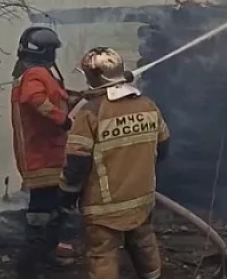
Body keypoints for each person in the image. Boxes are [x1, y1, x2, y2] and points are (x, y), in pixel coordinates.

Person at [59, 47, 170, 279]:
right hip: (141, 199)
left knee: (103, 255)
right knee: (145, 244)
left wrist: (67, 196)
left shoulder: (90, 114)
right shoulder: (148, 105)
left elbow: (77, 164)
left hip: (103, 206)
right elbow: (163, 147)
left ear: (93, 76)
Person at [10, 26, 81, 278]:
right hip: (40, 159)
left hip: (49, 157)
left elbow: (51, 100)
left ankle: (46, 255)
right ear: (48, 52)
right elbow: (35, 100)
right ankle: (28, 269)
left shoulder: (37, 74)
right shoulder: (35, 75)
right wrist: (62, 119)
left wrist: (74, 99)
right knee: (40, 217)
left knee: (54, 212)